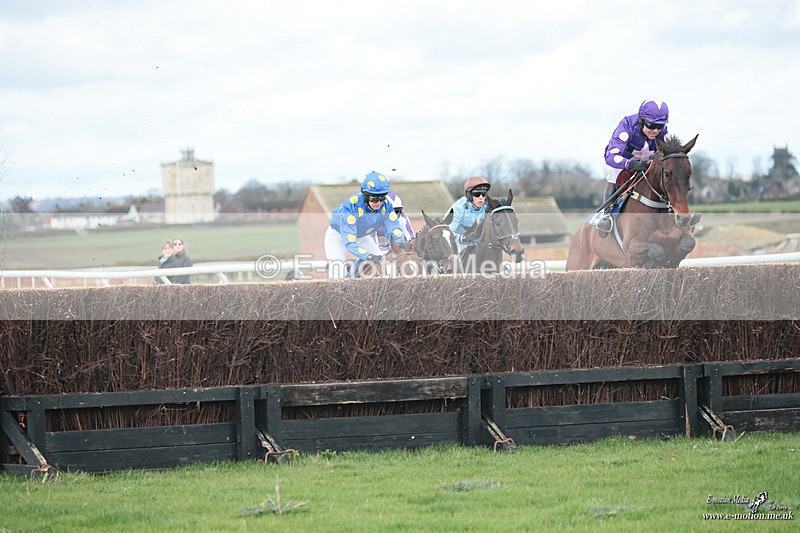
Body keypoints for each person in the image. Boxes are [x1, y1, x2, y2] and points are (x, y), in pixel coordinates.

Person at [595, 99, 670, 237]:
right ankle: (607, 216)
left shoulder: (662, 132)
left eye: (660, 126)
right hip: (621, 163)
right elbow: (611, 156)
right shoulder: (627, 125)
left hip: (647, 164)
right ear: (642, 120)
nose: (655, 131)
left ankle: (674, 211)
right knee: (613, 172)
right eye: (651, 125)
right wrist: (632, 164)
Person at [324, 171, 412, 278]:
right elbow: (350, 243)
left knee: (381, 261)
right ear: (364, 195)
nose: (378, 202)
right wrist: (368, 256)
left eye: (382, 197)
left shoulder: (386, 205)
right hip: (337, 237)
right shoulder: (351, 207)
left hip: (361, 236)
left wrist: (400, 244)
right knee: (337, 275)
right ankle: (346, 282)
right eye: (374, 198)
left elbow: (393, 227)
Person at [447, 176, 490, 253]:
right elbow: (447, 232)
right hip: (457, 243)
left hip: (477, 243)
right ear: (468, 195)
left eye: (483, 194)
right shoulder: (458, 208)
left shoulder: (487, 207)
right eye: (477, 194)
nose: (481, 197)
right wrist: (462, 238)